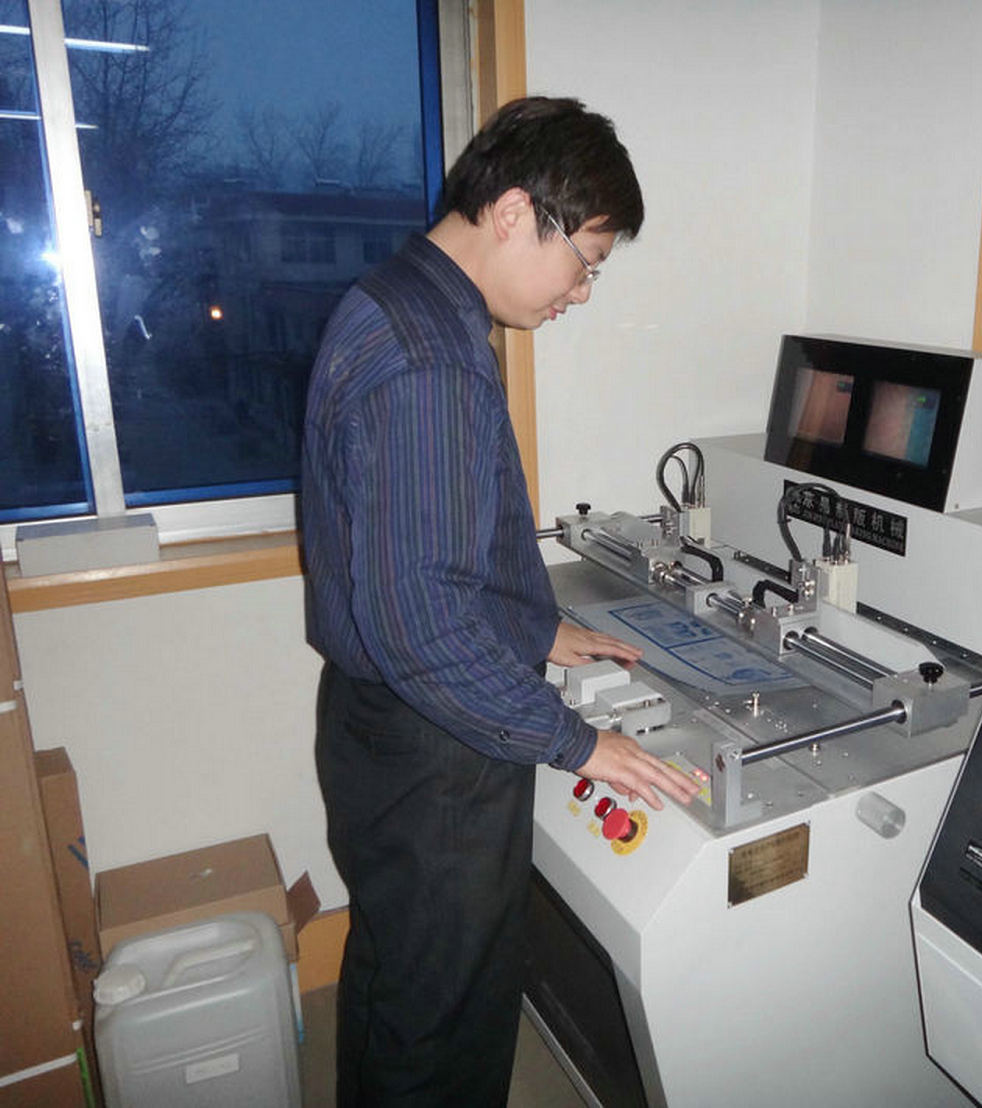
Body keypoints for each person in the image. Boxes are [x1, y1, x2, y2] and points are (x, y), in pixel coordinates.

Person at [300, 96, 698, 1106]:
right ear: (518, 212)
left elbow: (421, 554)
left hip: (381, 728)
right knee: (446, 1021)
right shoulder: (430, 359)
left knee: (400, 981)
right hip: (432, 750)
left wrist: (538, 627)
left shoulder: (396, 302)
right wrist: (578, 743)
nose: (583, 291)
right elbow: (423, 625)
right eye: (587, 261)